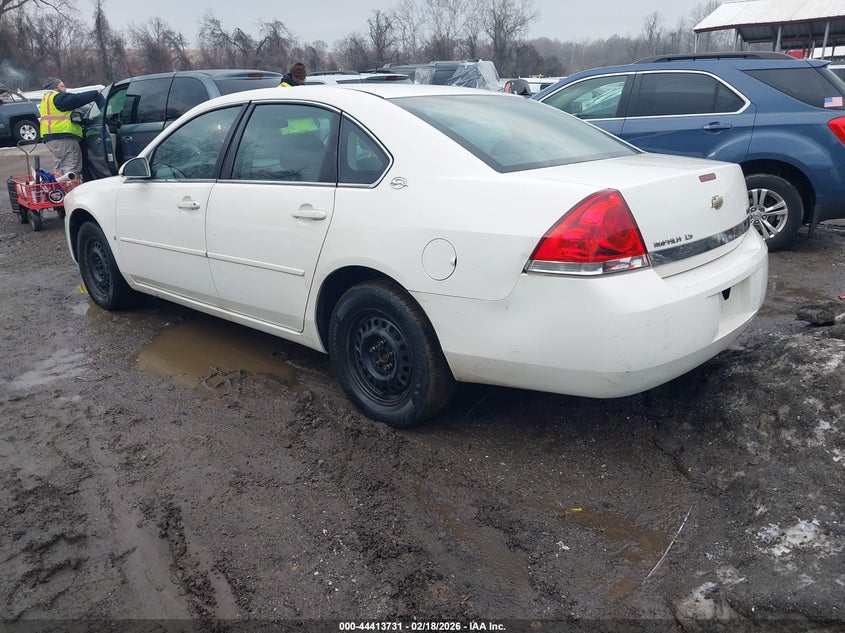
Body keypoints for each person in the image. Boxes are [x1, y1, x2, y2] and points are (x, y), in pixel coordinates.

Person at [39, 78, 102, 177]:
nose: (65, 88)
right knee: (71, 166)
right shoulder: (58, 98)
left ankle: (59, 190)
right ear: (55, 88)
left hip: (50, 137)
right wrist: (95, 93)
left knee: (60, 167)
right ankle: (72, 190)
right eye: (62, 86)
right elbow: (77, 98)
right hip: (63, 137)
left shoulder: (46, 99)